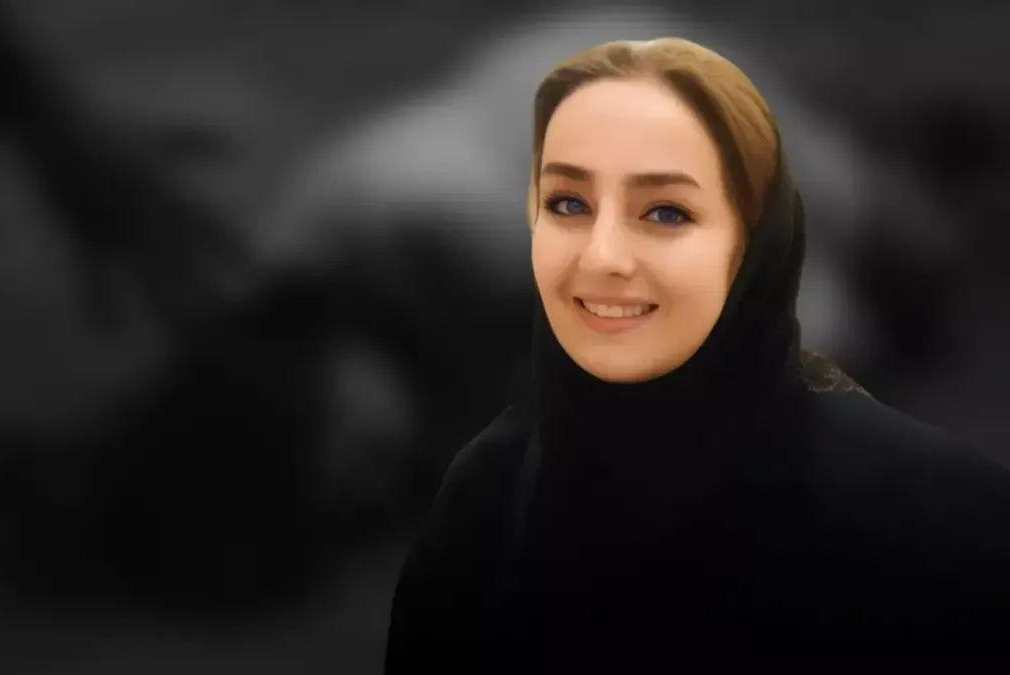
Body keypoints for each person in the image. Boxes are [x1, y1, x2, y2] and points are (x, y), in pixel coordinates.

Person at [384, 37, 1010, 669]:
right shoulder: (482, 504)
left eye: (665, 214)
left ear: (755, 242)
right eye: (568, 205)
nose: (602, 256)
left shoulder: (949, 530)